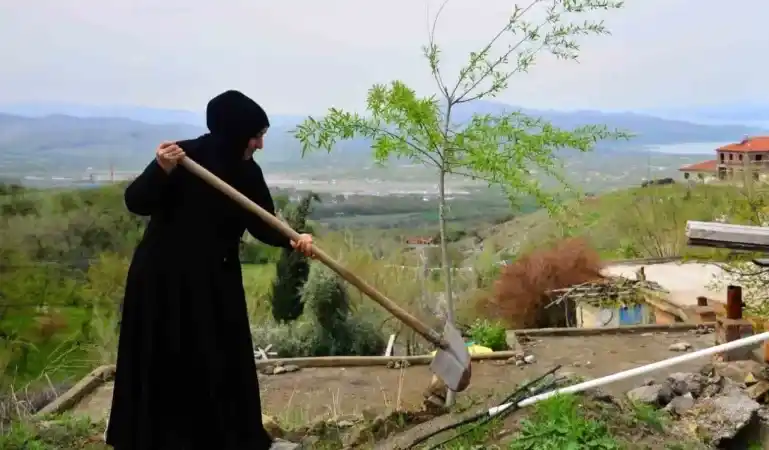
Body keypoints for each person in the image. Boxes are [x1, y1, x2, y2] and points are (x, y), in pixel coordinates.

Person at [105, 90, 312, 450]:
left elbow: (262, 222)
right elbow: (135, 202)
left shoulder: (247, 171)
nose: (260, 144)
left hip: (216, 280)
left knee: (222, 359)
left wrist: (294, 239)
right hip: (164, 280)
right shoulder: (183, 158)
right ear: (234, 132)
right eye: (256, 135)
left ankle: (225, 439)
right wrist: (160, 170)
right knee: (166, 360)